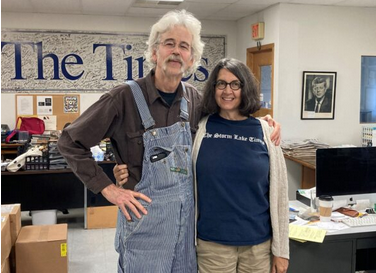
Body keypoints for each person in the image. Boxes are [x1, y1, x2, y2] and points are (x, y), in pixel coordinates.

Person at [58, 10, 282, 273]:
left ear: (192, 59)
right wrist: (109, 189)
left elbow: (228, 118)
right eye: (169, 43)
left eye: (184, 46)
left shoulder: (195, 100)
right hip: (143, 232)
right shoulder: (122, 98)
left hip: (185, 234)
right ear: (155, 52)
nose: (176, 51)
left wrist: (263, 123)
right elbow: (69, 141)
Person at [115, 58, 289, 273]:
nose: (228, 91)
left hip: (258, 246)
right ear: (213, 88)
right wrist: (128, 170)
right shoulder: (198, 126)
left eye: (236, 84)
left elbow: (280, 195)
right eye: (221, 84)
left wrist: (281, 250)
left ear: (246, 89)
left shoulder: (265, 131)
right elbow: (169, 159)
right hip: (212, 245)